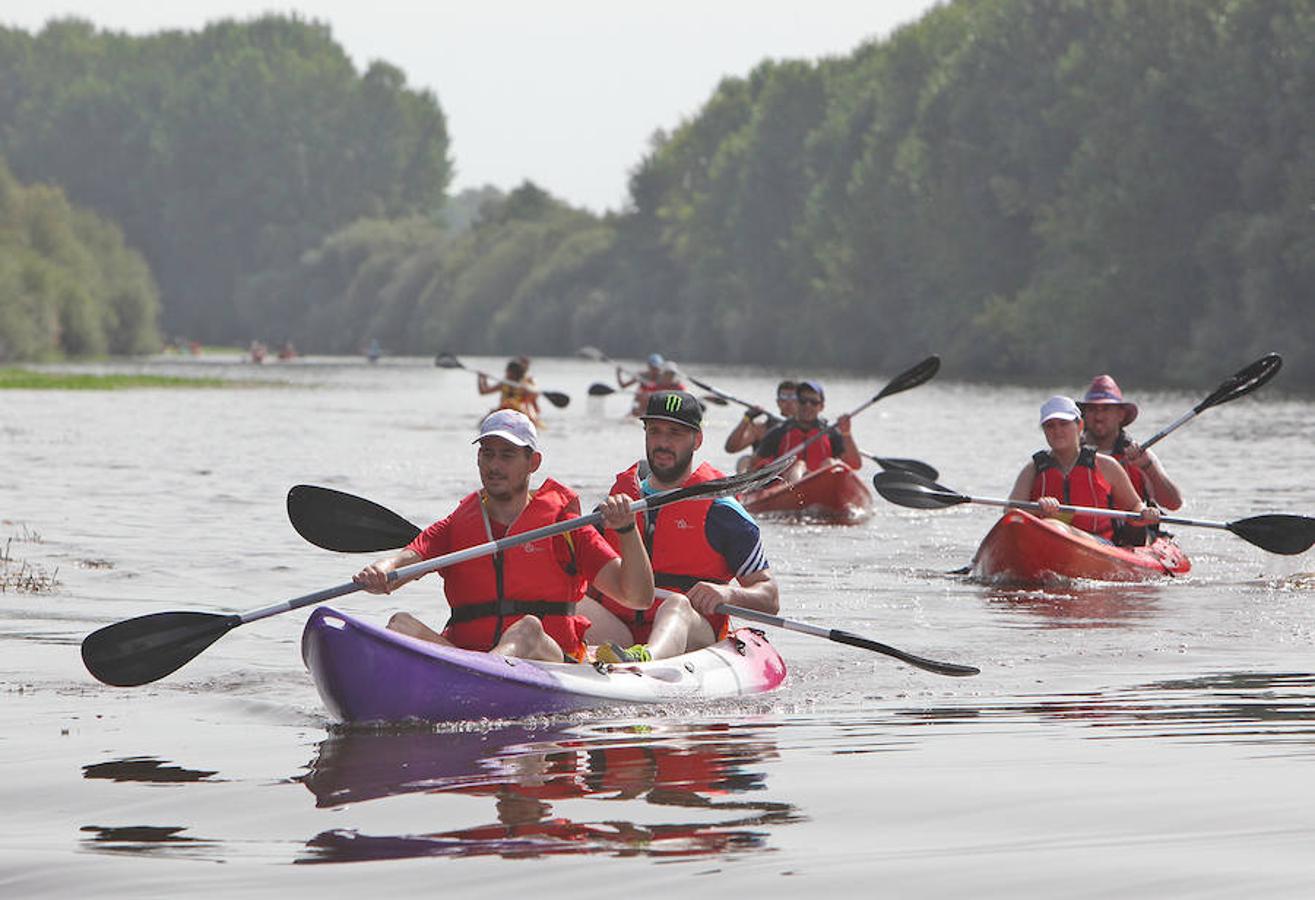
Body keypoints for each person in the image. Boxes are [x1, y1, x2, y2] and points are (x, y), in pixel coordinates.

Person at [353, 410, 654, 662]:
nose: (494, 466)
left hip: (552, 663)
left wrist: (626, 529)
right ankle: (474, 677)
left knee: (528, 630)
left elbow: (638, 597)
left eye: (507, 455)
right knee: (400, 624)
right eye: (487, 454)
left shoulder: (566, 528)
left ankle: (483, 677)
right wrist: (381, 571)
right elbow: (403, 562)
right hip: (469, 661)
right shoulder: (456, 526)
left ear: (532, 463)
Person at [582, 389, 779, 663]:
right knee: (567, 598)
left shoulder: (723, 512)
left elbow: (769, 597)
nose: (662, 443)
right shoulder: (618, 505)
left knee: (676, 604)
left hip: (692, 635)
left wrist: (727, 593)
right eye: (655, 431)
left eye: (675, 433)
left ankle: (645, 659)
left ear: (697, 440)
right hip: (620, 633)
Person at [1008, 395, 1160, 543]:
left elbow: (1134, 506)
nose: (1057, 430)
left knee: (1054, 527)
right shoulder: (1033, 469)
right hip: (1046, 537)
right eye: (1050, 425)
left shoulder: (1106, 465)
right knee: (1051, 528)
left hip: (1098, 543)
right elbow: (1011, 513)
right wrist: (1037, 509)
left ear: (1080, 425)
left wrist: (1145, 512)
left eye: (1063, 423)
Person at [1077, 374, 1183, 511]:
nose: (1098, 416)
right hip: (1080, 529)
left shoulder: (1140, 455)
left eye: (1106, 409)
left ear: (1120, 415)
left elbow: (1174, 504)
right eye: (1092, 409)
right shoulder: (1071, 451)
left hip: (1130, 528)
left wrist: (1148, 467)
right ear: (1084, 415)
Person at [749, 380, 861, 471]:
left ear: (821, 406)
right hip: (789, 487)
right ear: (796, 403)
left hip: (823, 485)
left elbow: (855, 465)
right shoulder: (778, 432)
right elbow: (754, 465)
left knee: (830, 463)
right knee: (799, 465)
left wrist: (847, 433)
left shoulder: (831, 432)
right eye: (803, 401)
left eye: (813, 402)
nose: (808, 405)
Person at [724, 379, 798, 455]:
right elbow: (731, 448)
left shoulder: (808, 428)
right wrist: (746, 418)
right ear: (778, 402)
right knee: (744, 460)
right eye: (784, 398)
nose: (789, 402)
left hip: (797, 464)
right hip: (769, 465)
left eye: (793, 398)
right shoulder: (761, 428)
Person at [479, 357, 542, 426]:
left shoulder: (525, 386)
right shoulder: (504, 384)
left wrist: (529, 391)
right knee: (482, 423)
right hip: (503, 409)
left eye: (508, 372)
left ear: (515, 373)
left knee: (512, 403)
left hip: (519, 411)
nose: (506, 373)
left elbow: (535, 401)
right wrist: (482, 378)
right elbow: (484, 391)